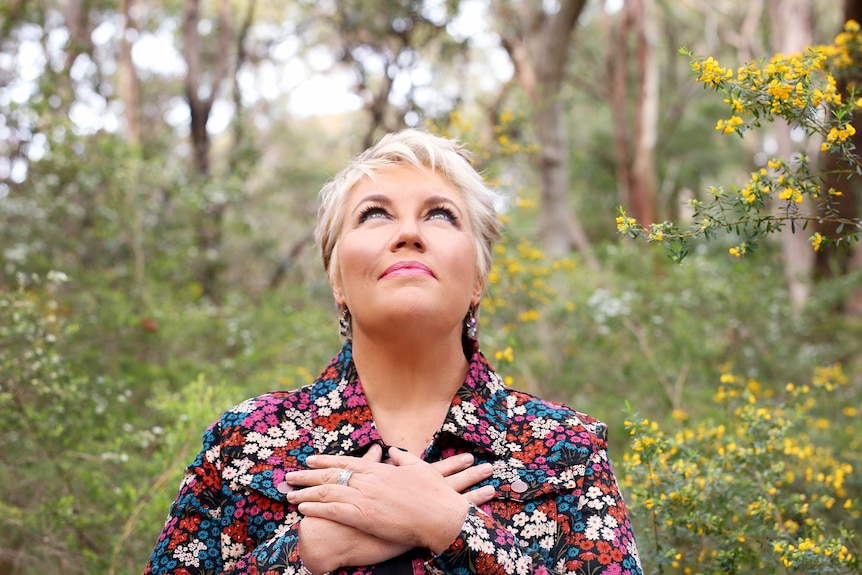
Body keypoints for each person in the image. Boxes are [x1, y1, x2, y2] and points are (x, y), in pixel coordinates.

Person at [143, 128, 642, 575]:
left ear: (478, 278)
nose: (408, 234)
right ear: (336, 277)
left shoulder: (567, 449)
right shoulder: (243, 442)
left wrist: (453, 528)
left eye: (441, 215)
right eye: (375, 214)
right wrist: (304, 551)